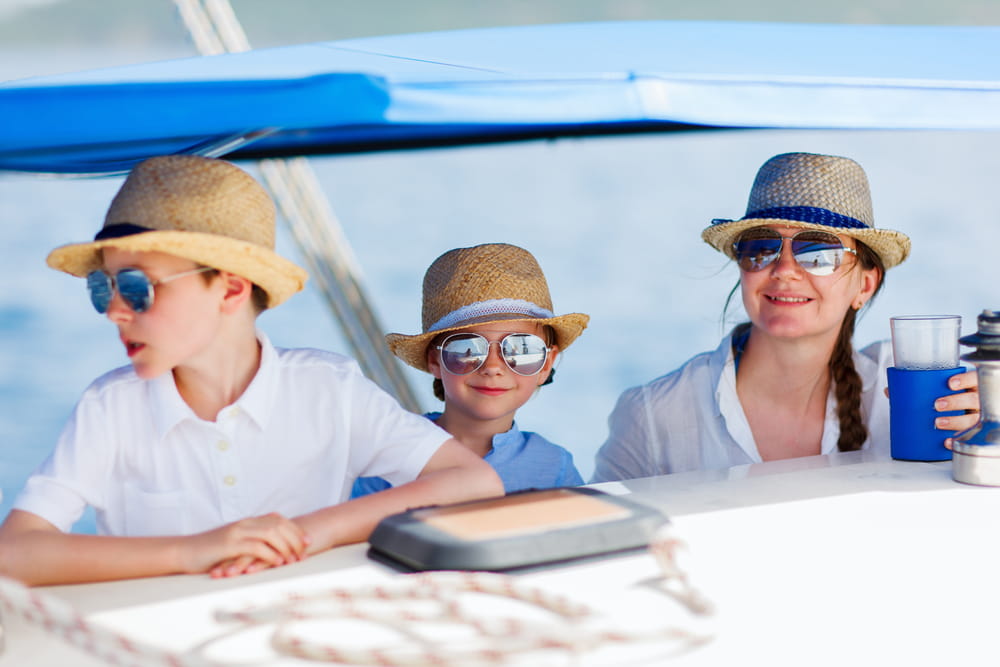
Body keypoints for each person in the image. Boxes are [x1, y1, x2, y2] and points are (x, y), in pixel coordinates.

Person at [0, 155, 502, 586]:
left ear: (231, 289)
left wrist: (309, 532)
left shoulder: (328, 388)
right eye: (101, 288)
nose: (114, 310)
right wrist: (194, 550)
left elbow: (472, 481)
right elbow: (14, 552)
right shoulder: (110, 408)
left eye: (135, 287)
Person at [592, 152, 980, 481]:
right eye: (761, 248)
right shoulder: (653, 415)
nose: (785, 269)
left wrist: (984, 434)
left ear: (864, 286)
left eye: (819, 253)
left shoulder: (913, 389)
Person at [353, 243, 589, 496]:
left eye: (521, 349)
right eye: (468, 349)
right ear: (435, 360)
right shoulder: (388, 455)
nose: (493, 367)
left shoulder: (554, 467)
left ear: (546, 363)